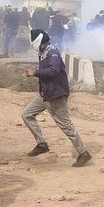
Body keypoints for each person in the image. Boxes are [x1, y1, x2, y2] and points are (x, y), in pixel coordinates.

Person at [21, 29, 92, 167]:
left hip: (55, 94)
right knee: (27, 114)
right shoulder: (43, 51)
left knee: (65, 125)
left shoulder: (52, 52)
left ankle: (83, 153)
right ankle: (42, 144)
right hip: (45, 94)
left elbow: (53, 70)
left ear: (38, 41)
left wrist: (35, 72)